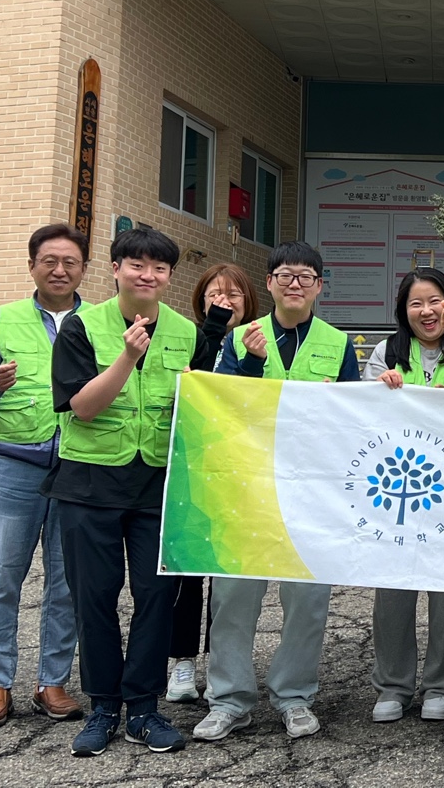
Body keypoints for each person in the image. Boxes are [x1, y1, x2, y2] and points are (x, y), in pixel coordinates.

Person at [48, 228, 224, 757]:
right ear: (116, 268)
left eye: (159, 268)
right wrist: (126, 357)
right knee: (94, 598)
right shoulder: (81, 326)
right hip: (90, 485)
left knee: (156, 598)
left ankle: (144, 709)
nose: (148, 276)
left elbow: (203, 407)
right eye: (137, 265)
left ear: (170, 277)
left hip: (157, 486)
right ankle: (104, 706)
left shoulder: (188, 333)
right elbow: (82, 408)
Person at [193, 242, 360, 744]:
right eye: (285, 275)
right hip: (248, 485)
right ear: (268, 283)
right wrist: (249, 362)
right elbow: (222, 407)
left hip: (313, 490)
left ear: (319, 286)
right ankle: (229, 699)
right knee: (233, 597)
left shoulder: (338, 344)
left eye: (306, 276)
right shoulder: (240, 338)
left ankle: (294, 696)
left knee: (307, 600)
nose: (295, 284)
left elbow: (354, 418)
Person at [0, 224, 89, 730]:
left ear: (84, 269)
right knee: (1, 578)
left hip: (78, 467)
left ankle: (52, 683)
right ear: (31, 265)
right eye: (49, 260)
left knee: (67, 583)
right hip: (15, 466)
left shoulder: (98, 322)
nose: (59, 270)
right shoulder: (2, 318)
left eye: (70, 262)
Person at [367, 267, 444, 725]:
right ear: (403, 310)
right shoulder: (385, 352)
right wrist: (382, 390)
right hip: (396, 485)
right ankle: (393, 685)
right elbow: (365, 415)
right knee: (393, 588)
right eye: (416, 303)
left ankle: (441, 685)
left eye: (435, 301)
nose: (427, 311)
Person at [164, 262, 259, 706]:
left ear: (249, 301)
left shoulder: (259, 340)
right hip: (189, 467)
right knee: (186, 571)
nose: (224, 302)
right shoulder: (186, 337)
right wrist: (213, 330)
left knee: (227, 575)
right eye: (214, 295)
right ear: (200, 301)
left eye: (233, 295)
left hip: (239, 470)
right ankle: (182, 661)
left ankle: (223, 668)